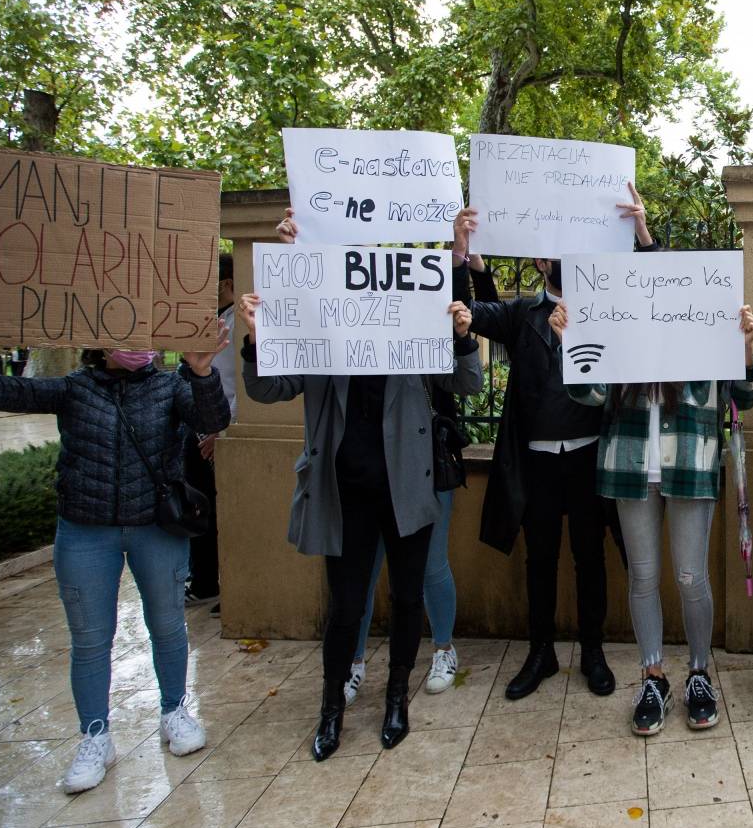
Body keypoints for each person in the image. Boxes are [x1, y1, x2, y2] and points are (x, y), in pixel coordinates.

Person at [0, 336, 231, 793]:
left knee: (169, 626)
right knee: (90, 640)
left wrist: (202, 371)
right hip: (86, 531)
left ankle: (175, 711)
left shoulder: (171, 387)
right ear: (99, 342)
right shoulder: (73, 389)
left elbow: (214, 420)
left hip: (157, 528)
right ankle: (95, 735)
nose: (135, 347)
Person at [240, 209, 485, 761]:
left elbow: (465, 382)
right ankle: (332, 708)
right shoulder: (323, 333)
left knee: (405, 598)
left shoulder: (415, 323)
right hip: (344, 495)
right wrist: (259, 337)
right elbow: (270, 388)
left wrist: (463, 335)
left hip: (408, 492)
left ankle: (397, 696)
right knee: (346, 607)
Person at [457, 186, 656, 700]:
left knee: (590, 559)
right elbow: (470, 312)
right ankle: (540, 652)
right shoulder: (519, 313)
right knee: (539, 559)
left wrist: (641, 232)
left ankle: (593, 652)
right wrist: (466, 259)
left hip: (592, 459)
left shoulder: (608, 308)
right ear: (542, 260)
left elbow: (660, 292)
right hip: (536, 465)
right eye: (560, 250)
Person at [560, 300, 753, 735]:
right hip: (630, 471)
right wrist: (569, 344)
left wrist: (745, 347)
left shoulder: (704, 338)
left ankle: (698, 673)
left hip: (690, 466)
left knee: (691, 576)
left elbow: (744, 397)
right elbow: (589, 394)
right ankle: (653, 678)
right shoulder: (621, 341)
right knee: (644, 577)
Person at [343, 251, 485, 704]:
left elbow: (469, 384)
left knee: (430, 567)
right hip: (365, 478)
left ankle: (443, 649)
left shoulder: (422, 337)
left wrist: (462, 338)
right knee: (361, 576)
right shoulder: (345, 340)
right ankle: (352, 661)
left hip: (421, 473)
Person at [184, 252, 237, 611]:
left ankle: (230, 584)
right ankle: (203, 582)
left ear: (229, 284)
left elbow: (240, 388)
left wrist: (223, 432)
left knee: (224, 514)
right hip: (196, 434)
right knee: (199, 513)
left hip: (224, 436)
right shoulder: (210, 321)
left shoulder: (239, 326)